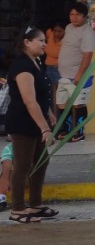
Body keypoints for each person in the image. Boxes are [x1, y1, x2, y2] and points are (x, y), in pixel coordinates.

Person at [6, 26, 57, 222]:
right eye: (41, 40)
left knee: (41, 161)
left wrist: (49, 113)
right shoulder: (22, 66)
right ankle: (17, 208)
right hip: (23, 124)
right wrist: (44, 127)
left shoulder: (36, 63)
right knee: (23, 165)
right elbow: (29, 100)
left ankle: (35, 203)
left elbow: (40, 95)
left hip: (37, 121)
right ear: (27, 42)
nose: (45, 44)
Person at [56, 0, 95, 142]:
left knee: (78, 104)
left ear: (85, 16)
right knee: (62, 103)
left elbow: (87, 55)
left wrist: (79, 75)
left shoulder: (88, 33)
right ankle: (64, 131)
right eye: (71, 14)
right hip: (64, 76)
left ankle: (79, 132)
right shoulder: (68, 27)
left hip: (78, 77)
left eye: (77, 14)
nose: (74, 17)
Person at [44, 19, 63, 117]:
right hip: (48, 68)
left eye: (60, 31)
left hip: (58, 70)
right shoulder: (49, 34)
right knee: (50, 95)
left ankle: (58, 121)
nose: (57, 33)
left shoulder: (65, 42)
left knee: (58, 96)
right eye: (55, 31)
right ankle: (53, 119)